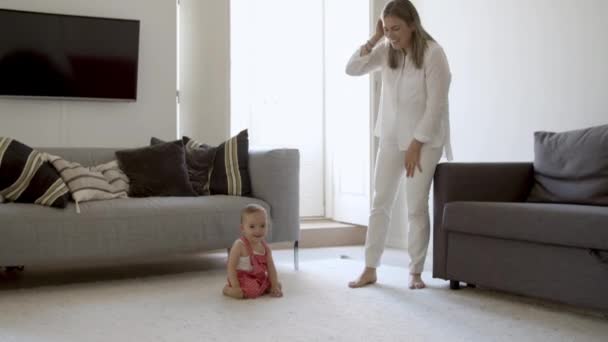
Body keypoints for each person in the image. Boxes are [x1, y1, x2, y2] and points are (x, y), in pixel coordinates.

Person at [345, 0, 452, 290]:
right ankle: (370, 268)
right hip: (391, 137)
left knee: (416, 206)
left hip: (424, 141)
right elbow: (351, 68)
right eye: (387, 29)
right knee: (380, 202)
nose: (392, 35)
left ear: (413, 25)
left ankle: (415, 271)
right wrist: (374, 38)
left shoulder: (433, 54)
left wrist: (417, 143)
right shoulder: (386, 50)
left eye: (396, 29)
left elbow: (436, 106)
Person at [223, 204, 283, 299]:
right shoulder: (239, 245)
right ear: (243, 229)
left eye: (262, 226)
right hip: (242, 278)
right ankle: (227, 290)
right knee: (249, 291)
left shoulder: (265, 248)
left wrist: (274, 285)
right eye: (252, 226)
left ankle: (262, 287)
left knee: (277, 284)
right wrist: (235, 286)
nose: (258, 230)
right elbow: (231, 267)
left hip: (259, 277)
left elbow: (271, 268)